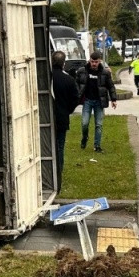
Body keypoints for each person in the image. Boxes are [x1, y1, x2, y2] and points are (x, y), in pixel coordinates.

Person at [50, 51, 81, 193]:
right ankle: (59, 173)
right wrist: (67, 110)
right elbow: (76, 98)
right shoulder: (68, 80)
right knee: (60, 146)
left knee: (46, 145)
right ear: (64, 63)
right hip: (62, 117)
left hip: (46, 117)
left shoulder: (46, 78)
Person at [75, 51, 117, 153]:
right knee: (84, 123)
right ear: (89, 60)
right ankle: (85, 138)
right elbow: (76, 83)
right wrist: (76, 95)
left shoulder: (105, 73)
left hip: (99, 101)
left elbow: (111, 86)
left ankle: (97, 145)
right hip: (87, 101)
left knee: (99, 124)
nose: (94, 64)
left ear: (100, 61)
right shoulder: (82, 71)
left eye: (96, 62)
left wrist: (114, 99)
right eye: (92, 61)